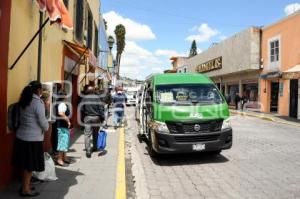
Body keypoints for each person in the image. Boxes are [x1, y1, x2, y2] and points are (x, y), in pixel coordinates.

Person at [12, 81, 49, 197]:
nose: (42, 92)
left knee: (24, 164)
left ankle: (25, 185)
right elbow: (43, 122)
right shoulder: (38, 103)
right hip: (32, 139)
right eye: (41, 89)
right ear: (38, 90)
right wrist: (47, 124)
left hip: (21, 136)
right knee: (29, 166)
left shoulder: (24, 100)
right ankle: (25, 189)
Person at [81, 85, 105, 158]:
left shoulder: (84, 98)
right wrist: (102, 118)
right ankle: (95, 147)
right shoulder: (97, 98)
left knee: (87, 134)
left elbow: (81, 109)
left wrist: (83, 117)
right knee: (95, 134)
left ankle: (88, 151)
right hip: (96, 118)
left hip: (87, 117)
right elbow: (101, 109)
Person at [55, 91, 71, 166]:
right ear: (64, 96)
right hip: (62, 126)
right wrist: (68, 121)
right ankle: (59, 159)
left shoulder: (60, 103)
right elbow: (61, 113)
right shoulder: (62, 104)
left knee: (64, 142)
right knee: (62, 142)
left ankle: (64, 157)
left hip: (62, 126)